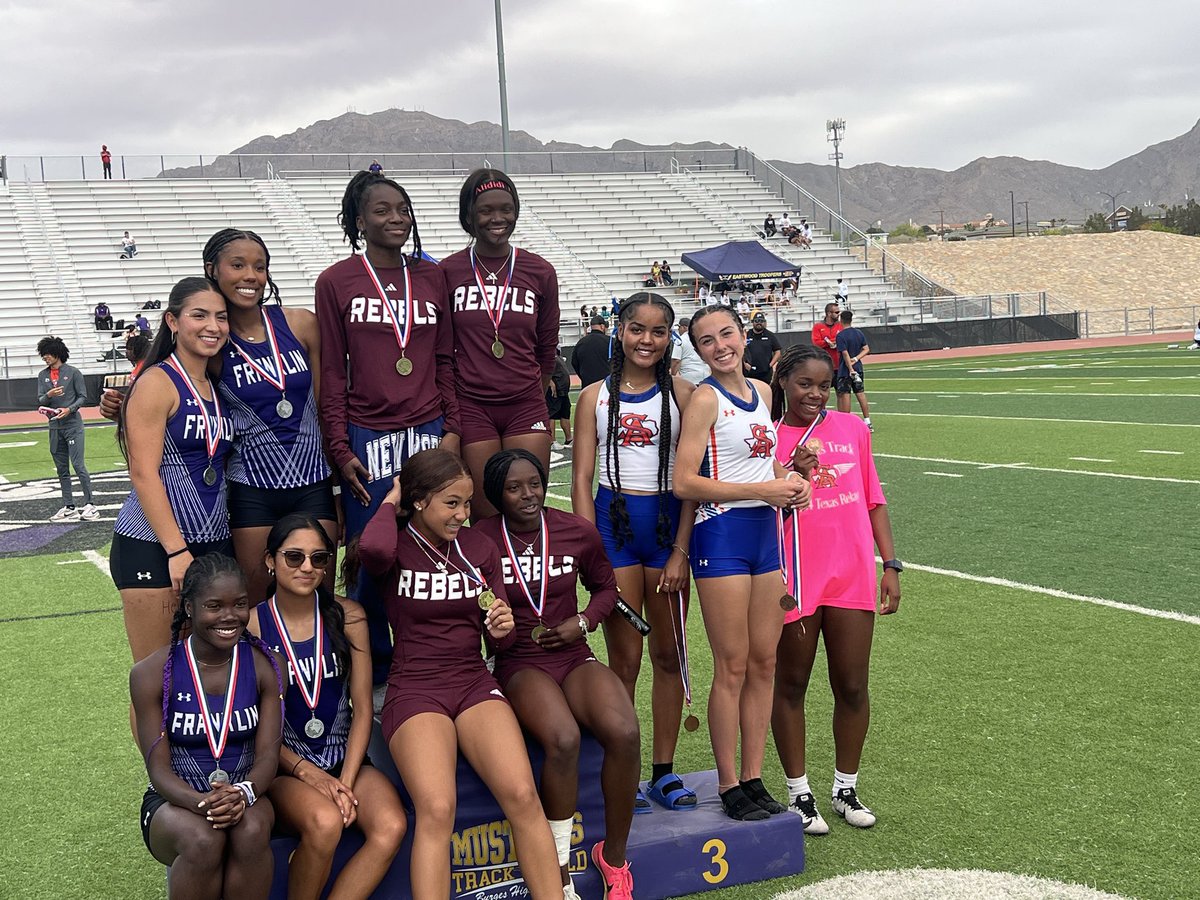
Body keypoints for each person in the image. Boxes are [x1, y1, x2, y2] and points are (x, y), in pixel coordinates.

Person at [354, 449, 561, 899]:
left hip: (472, 679)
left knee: (524, 796)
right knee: (436, 808)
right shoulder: (395, 546)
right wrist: (391, 500)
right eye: (452, 503)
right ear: (421, 500)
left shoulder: (478, 547)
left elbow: (500, 642)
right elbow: (369, 549)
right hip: (415, 686)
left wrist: (502, 627)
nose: (462, 515)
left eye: (467, 504)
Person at [316, 170, 459, 691]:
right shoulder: (336, 281)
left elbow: (446, 359)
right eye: (382, 210)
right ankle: (372, 663)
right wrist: (338, 444)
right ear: (359, 221)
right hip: (366, 432)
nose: (396, 218)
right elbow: (332, 370)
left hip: (428, 429)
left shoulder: (433, 275)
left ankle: (431, 652)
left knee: (432, 545)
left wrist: (453, 430)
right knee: (368, 552)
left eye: (403, 209)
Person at [476, 450, 638, 900]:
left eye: (534, 483)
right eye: (514, 488)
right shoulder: (481, 539)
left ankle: (616, 859)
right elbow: (475, 606)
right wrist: (498, 633)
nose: (528, 495)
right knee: (563, 738)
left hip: (573, 652)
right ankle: (558, 866)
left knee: (623, 730)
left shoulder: (574, 530)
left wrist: (583, 621)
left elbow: (607, 587)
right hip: (519, 661)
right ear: (496, 495)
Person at [672, 304, 810, 822]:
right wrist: (764, 489)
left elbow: (763, 458)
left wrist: (791, 482)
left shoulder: (765, 392)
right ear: (698, 351)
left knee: (764, 662)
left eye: (726, 333)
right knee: (731, 665)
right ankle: (729, 782)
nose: (720, 345)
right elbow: (684, 481)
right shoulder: (705, 399)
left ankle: (755, 777)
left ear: (742, 335)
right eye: (706, 340)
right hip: (722, 533)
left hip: (763, 537)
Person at [572, 292, 701, 817]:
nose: (646, 340)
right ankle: (623, 768)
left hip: (668, 529)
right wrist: (589, 547)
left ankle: (664, 772)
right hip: (614, 529)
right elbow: (581, 477)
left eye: (658, 331)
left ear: (671, 337)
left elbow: (693, 481)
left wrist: (681, 551)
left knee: (668, 655)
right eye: (636, 329)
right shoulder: (593, 398)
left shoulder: (687, 394)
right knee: (623, 661)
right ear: (618, 331)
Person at [768, 344, 900, 833]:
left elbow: (874, 499)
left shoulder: (852, 429)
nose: (816, 394)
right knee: (792, 685)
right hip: (794, 578)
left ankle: (845, 787)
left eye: (825, 386)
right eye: (805, 384)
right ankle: (799, 795)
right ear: (783, 380)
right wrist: (792, 471)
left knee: (851, 684)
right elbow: (761, 509)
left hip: (851, 574)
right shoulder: (767, 436)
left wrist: (890, 564)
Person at [249, 514, 406, 900]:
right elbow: (253, 727)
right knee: (324, 821)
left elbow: (363, 709)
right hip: (285, 768)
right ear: (270, 561)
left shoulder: (349, 615)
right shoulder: (251, 626)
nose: (307, 567)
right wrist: (311, 776)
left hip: (344, 759)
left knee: (391, 825)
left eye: (319, 559)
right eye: (294, 557)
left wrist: (346, 783)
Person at [129, 554, 284, 900]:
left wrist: (241, 794)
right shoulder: (150, 674)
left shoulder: (268, 667)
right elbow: (158, 769)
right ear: (189, 607)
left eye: (240, 604)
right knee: (204, 838)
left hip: (247, 794)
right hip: (175, 801)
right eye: (214, 605)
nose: (230, 616)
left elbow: (268, 758)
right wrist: (204, 803)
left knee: (253, 828)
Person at [203, 228, 336, 603]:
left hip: (313, 482)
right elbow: (176, 390)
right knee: (260, 604)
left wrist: (337, 477)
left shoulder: (300, 324)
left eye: (259, 267)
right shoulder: (213, 342)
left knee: (320, 599)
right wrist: (121, 405)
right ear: (212, 269)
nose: (251, 276)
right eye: (239, 265)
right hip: (252, 489)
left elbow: (326, 407)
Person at [111, 278, 235, 663]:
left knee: (203, 673)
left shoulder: (214, 383)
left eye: (221, 316)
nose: (212, 326)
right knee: (155, 675)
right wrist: (177, 551)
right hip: (154, 546)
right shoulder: (157, 382)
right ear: (173, 321)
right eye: (199, 315)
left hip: (212, 541)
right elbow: (143, 474)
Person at [440, 168, 560, 519]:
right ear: (468, 216)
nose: (497, 218)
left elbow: (547, 345)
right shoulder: (447, 271)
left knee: (527, 511)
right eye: (486, 211)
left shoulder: (540, 271)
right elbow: (443, 351)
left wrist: (533, 394)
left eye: (506, 209)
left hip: (524, 402)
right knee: (486, 514)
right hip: (472, 405)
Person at [37, 336, 99, 522]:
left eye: (47, 354)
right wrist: (48, 395)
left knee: (78, 465)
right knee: (61, 468)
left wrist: (69, 409)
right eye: (43, 354)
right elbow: (40, 399)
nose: (45, 357)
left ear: (57, 353)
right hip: (54, 426)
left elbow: (83, 397)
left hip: (72, 425)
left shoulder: (73, 373)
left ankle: (90, 505)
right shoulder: (42, 375)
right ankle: (69, 506)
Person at [834, 310, 872, 430]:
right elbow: (866, 349)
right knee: (860, 393)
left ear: (841, 320)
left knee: (845, 395)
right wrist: (856, 359)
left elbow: (845, 354)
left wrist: (850, 368)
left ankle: (845, 423)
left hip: (846, 370)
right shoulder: (859, 333)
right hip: (858, 368)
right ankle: (867, 421)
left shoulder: (841, 335)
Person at [570, 315, 610, 389]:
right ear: (602, 326)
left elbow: (574, 362)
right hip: (606, 386)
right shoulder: (610, 341)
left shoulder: (581, 342)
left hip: (587, 386)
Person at [546, 348, 572, 451]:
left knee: (565, 413)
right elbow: (542, 367)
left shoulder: (556, 353)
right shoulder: (546, 352)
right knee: (552, 414)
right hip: (555, 389)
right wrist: (549, 381)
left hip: (563, 389)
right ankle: (552, 441)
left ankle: (569, 439)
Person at [744, 312, 782, 384]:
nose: (759, 323)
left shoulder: (770, 335)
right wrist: (744, 363)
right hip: (749, 372)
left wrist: (770, 365)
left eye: (761, 321)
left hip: (765, 373)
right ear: (753, 322)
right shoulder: (747, 335)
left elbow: (778, 351)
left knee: (765, 392)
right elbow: (739, 350)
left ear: (764, 322)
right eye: (757, 321)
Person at [671, 317, 710, 385]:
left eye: (679, 328)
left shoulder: (680, 340)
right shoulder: (700, 338)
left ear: (683, 327)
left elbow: (676, 360)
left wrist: (672, 375)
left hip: (689, 378)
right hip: (705, 376)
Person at [812, 302, 842, 371]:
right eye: (837, 312)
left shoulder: (840, 325)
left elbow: (844, 339)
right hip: (824, 364)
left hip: (840, 363)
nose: (838, 314)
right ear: (829, 313)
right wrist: (831, 342)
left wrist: (828, 341)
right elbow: (817, 343)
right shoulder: (818, 326)